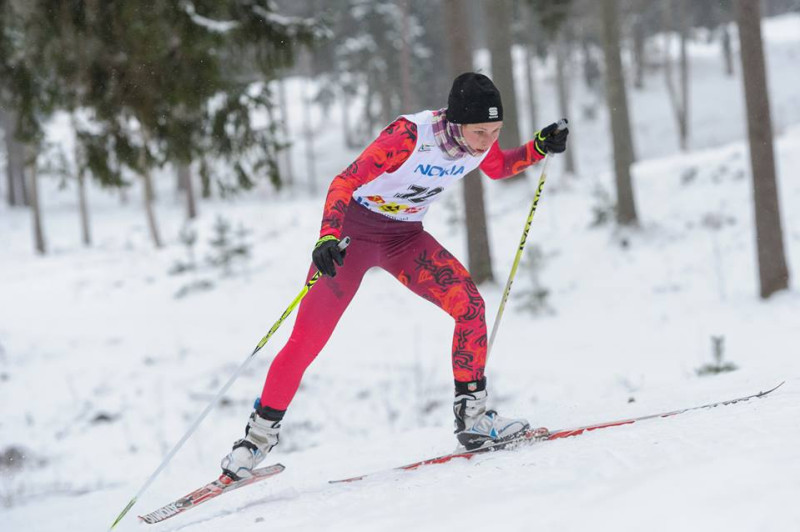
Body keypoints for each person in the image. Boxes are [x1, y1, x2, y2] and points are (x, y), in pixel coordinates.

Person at [221, 72, 569, 480]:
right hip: (352, 236)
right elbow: (344, 180)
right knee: (306, 340)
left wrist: (537, 147)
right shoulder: (409, 136)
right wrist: (328, 236)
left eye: (495, 131)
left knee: (470, 305)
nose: (487, 141)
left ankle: (473, 420)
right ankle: (254, 443)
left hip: (405, 239)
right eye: (480, 132)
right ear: (457, 121)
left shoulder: (476, 143)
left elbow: (498, 166)